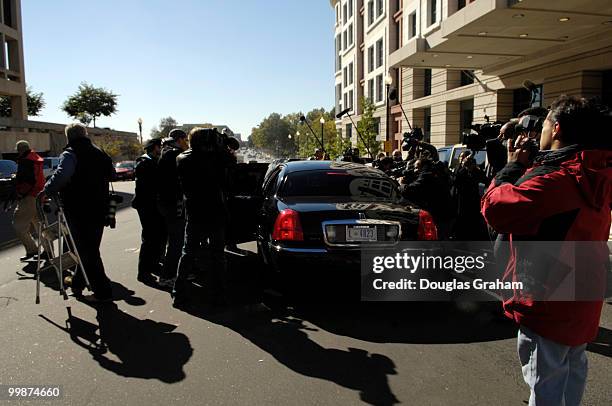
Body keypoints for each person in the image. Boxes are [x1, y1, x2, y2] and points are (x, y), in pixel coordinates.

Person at [481, 96, 611, 406]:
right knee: (571, 372)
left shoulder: (557, 180)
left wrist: (512, 165)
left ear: (557, 128)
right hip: (583, 294)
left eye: (544, 125)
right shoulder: (599, 173)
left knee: (545, 384)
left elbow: (496, 209)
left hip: (549, 297)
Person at [43, 123, 115, 302]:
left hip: (78, 209)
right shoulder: (100, 153)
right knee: (89, 249)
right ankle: (77, 283)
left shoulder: (71, 154)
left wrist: (47, 189)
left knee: (86, 251)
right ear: (85, 134)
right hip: (100, 208)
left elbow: (62, 176)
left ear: (69, 137)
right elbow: (112, 174)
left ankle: (103, 292)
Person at [172, 128, 236, 308]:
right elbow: (231, 166)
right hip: (215, 211)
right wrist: (220, 147)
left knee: (188, 254)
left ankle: (179, 293)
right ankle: (219, 295)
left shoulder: (182, 158)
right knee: (217, 256)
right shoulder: (217, 158)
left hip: (195, 211)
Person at [157, 129, 189, 289]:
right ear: (180, 139)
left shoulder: (166, 153)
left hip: (166, 202)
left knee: (176, 241)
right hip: (174, 202)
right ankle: (167, 276)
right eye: (185, 140)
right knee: (177, 242)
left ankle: (173, 272)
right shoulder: (174, 155)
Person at [132, 138, 166, 285]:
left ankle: (153, 264)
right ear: (155, 148)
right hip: (147, 206)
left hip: (152, 205)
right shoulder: (145, 162)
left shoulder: (152, 161)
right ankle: (143, 272)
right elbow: (148, 187)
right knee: (150, 239)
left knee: (158, 237)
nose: (162, 150)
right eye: (161, 147)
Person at [399, 158, 453, 239]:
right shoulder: (436, 173)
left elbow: (409, 190)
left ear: (424, 167)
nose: (415, 170)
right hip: (445, 213)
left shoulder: (426, 176)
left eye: (417, 168)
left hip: (439, 215)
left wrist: (401, 184)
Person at [13, 140, 46, 261]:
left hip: (29, 197)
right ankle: (48, 251)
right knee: (40, 225)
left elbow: (28, 180)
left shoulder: (25, 161)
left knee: (18, 225)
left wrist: (21, 193)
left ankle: (32, 249)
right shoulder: (35, 158)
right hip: (38, 195)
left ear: (20, 149)